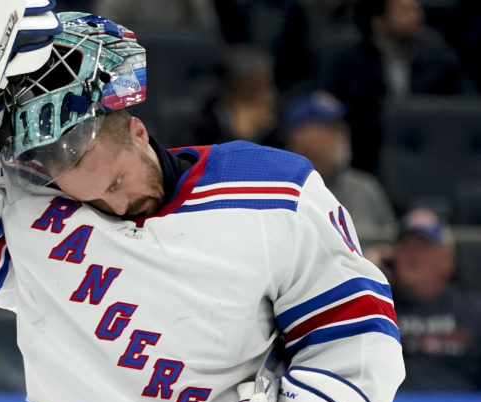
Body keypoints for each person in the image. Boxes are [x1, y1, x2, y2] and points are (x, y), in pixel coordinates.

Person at [0, 10, 404, 402]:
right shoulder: (31, 206)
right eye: (95, 199)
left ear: (139, 130)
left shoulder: (270, 190)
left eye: (119, 180)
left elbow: (351, 327)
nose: (117, 204)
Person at [325, 0, 474, 174]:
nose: (417, 16)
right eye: (405, 11)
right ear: (378, 22)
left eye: (416, 10)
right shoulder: (352, 58)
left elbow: (465, 95)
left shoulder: (435, 52)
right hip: (368, 146)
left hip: (427, 141)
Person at [370, 208, 481, 391]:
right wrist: (367, 280)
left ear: (448, 260)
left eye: (423, 247)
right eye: (406, 246)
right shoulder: (376, 311)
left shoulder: (473, 314)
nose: (413, 255)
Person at [283, 90, 398, 245]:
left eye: (342, 124)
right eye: (330, 126)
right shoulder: (278, 190)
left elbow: (393, 245)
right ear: (299, 136)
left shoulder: (364, 188)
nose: (343, 131)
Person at [190, 44, 281, 149]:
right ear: (227, 92)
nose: (266, 97)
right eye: (251, 90)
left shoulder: (276, 124)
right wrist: (239, 136)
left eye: (268, 86)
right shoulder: (199, 125)